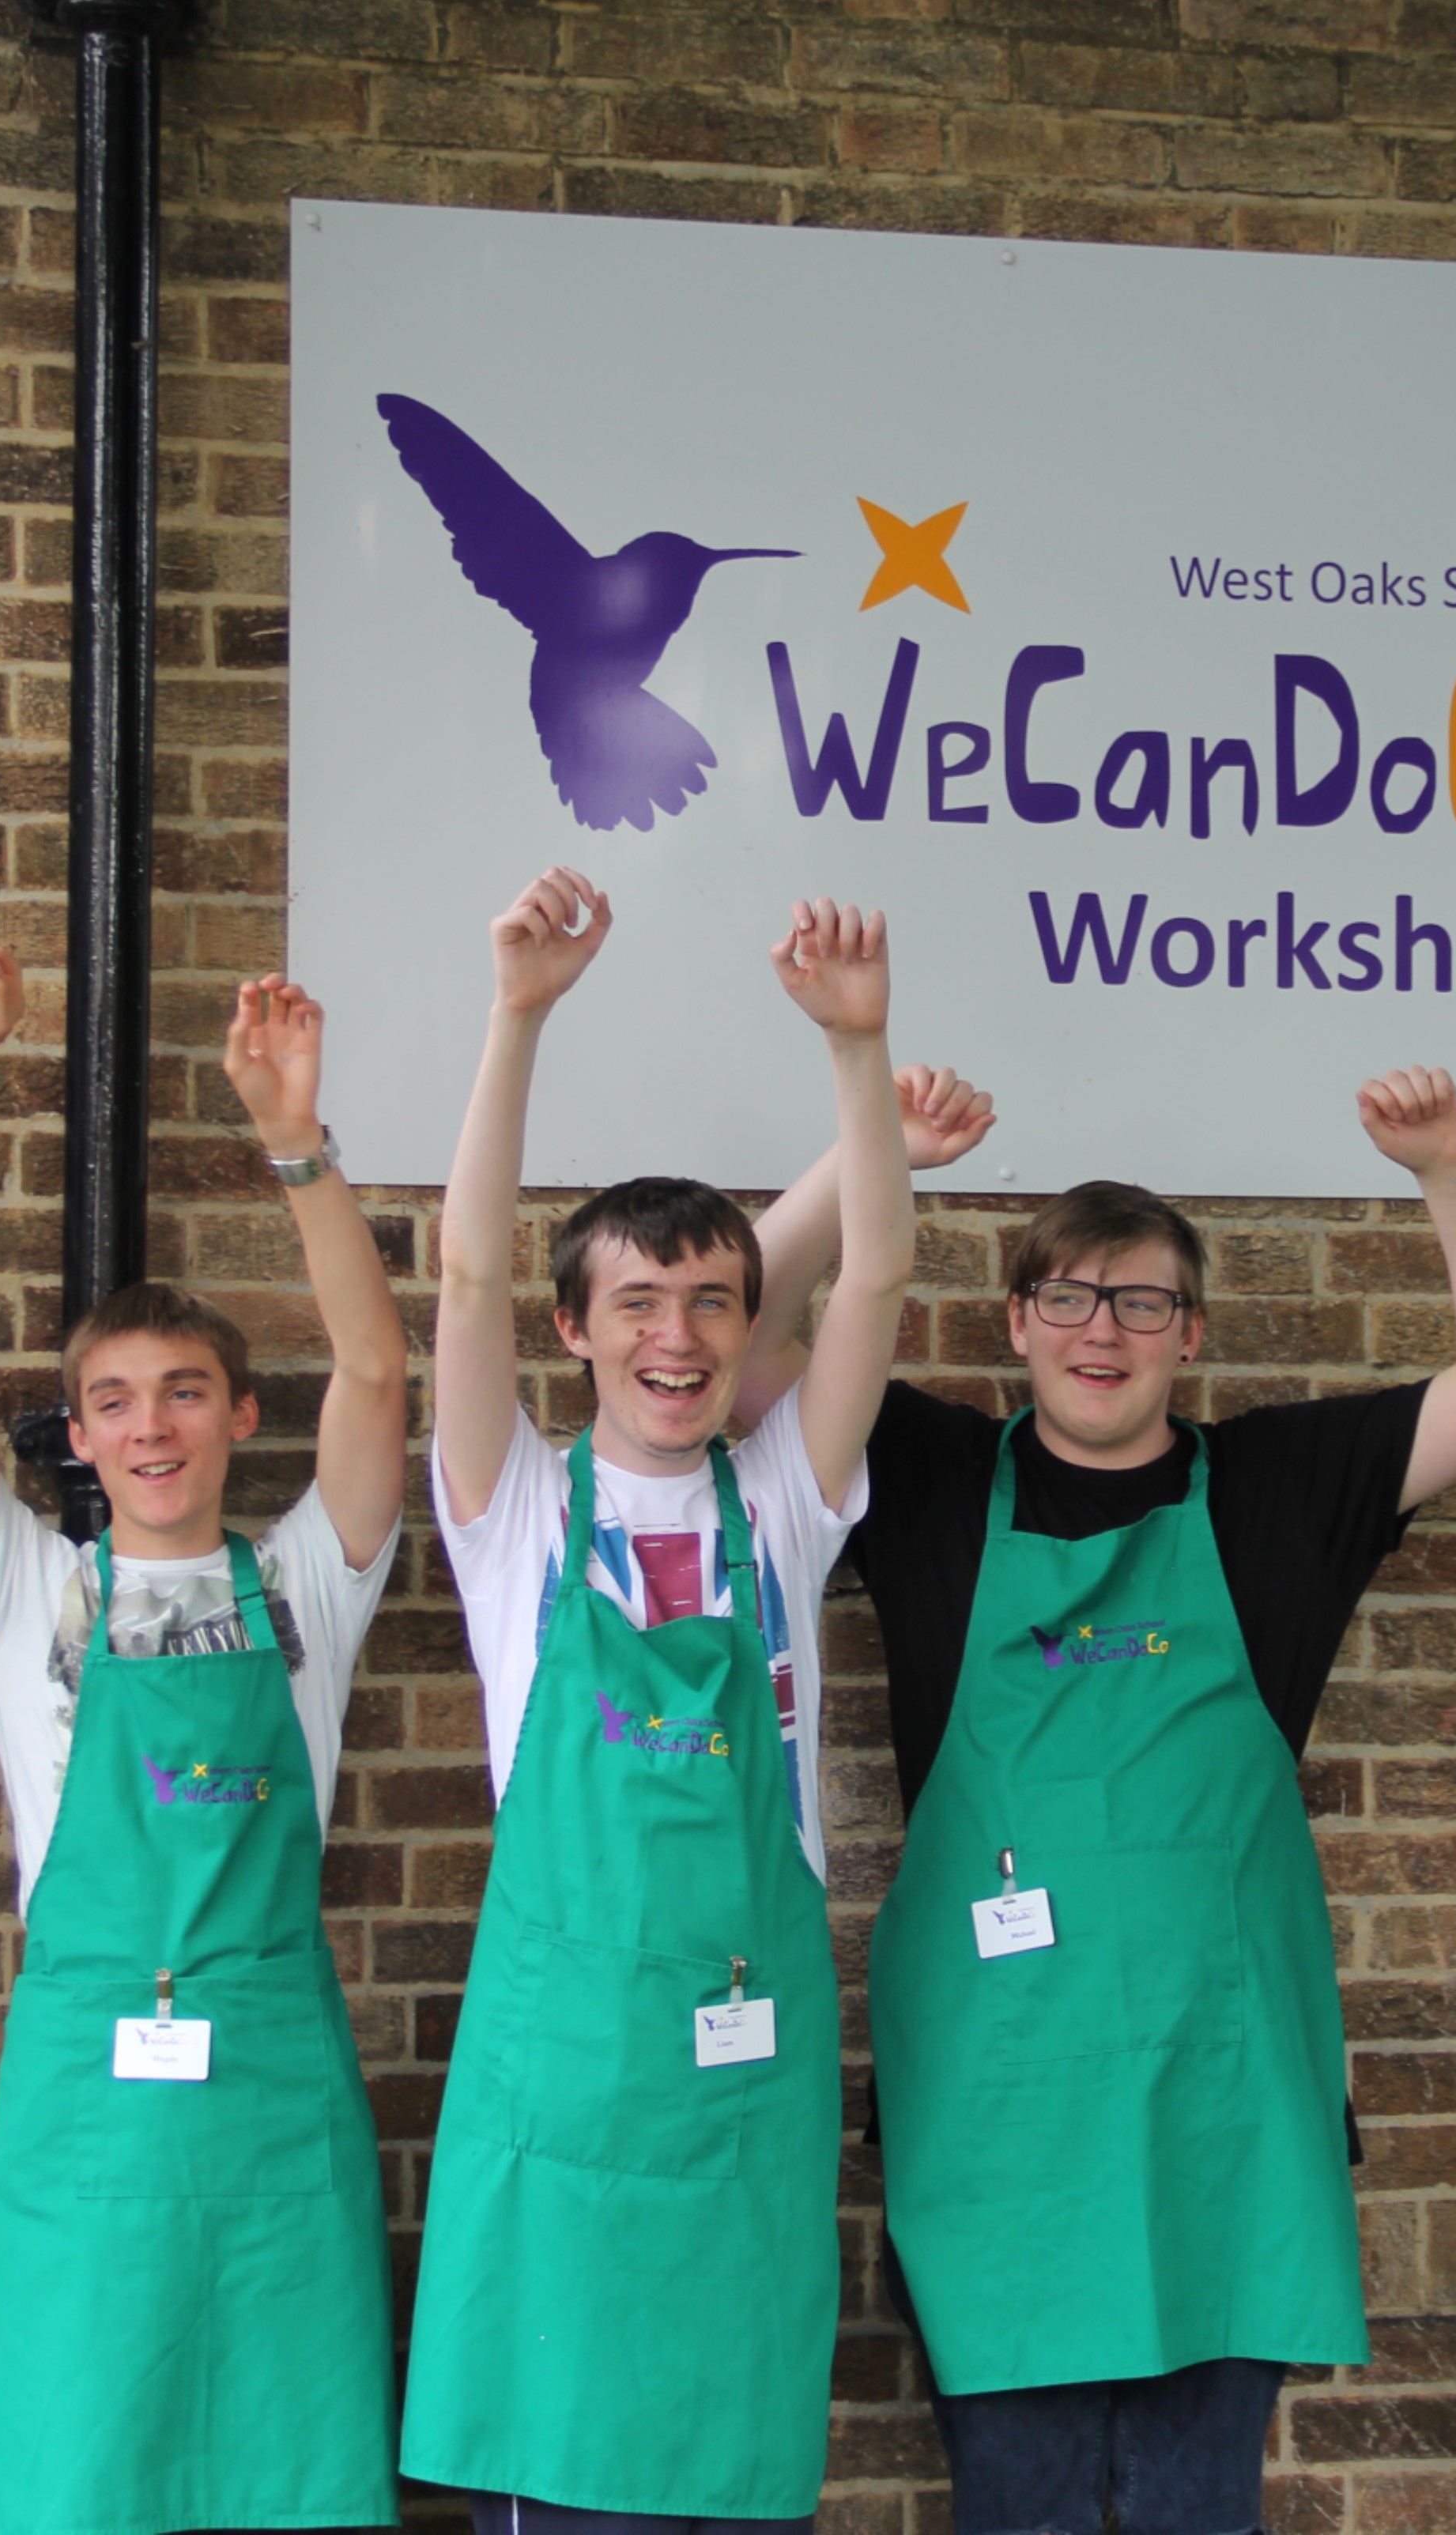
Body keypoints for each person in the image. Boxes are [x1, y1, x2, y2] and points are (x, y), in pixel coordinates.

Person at [739, 1067, 1456, 2535]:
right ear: (1018, 1322)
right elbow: (746, 1334)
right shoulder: (922, 1473)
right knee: (1019, 2508)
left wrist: (1450, 1172)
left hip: (1220, 2112)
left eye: (1143, 1303)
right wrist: (871, 1152)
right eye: (1070, 1298)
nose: (1102, 1331)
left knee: (1194, 2509)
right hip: (999, 2116)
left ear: (1191, 1333)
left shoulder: (1283, 1489)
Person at [403, 870, 912, 2534]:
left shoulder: (783, 1506)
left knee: (733, 2481)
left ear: (748, 1325)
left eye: (709, 1302)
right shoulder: (516, 1516)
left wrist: (858, 1051)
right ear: (575, 1328)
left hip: (746, 2092)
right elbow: (460, 1281)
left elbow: (877, 1280)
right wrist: (519, 1014)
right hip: (562, 2093)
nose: (674, 1338)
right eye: (635, 1301)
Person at [0, 949, 413, 2535]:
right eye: (114, 1401)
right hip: (85, 2124)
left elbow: (376, 1370)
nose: (151, 1426)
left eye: (186, 1392)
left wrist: (299, 1145)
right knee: (80, 2476)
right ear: (77, 1435)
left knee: (291, 2482)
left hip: (273, 2115)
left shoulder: (306, 1586)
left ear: (240, 1416)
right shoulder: (23, 1592)